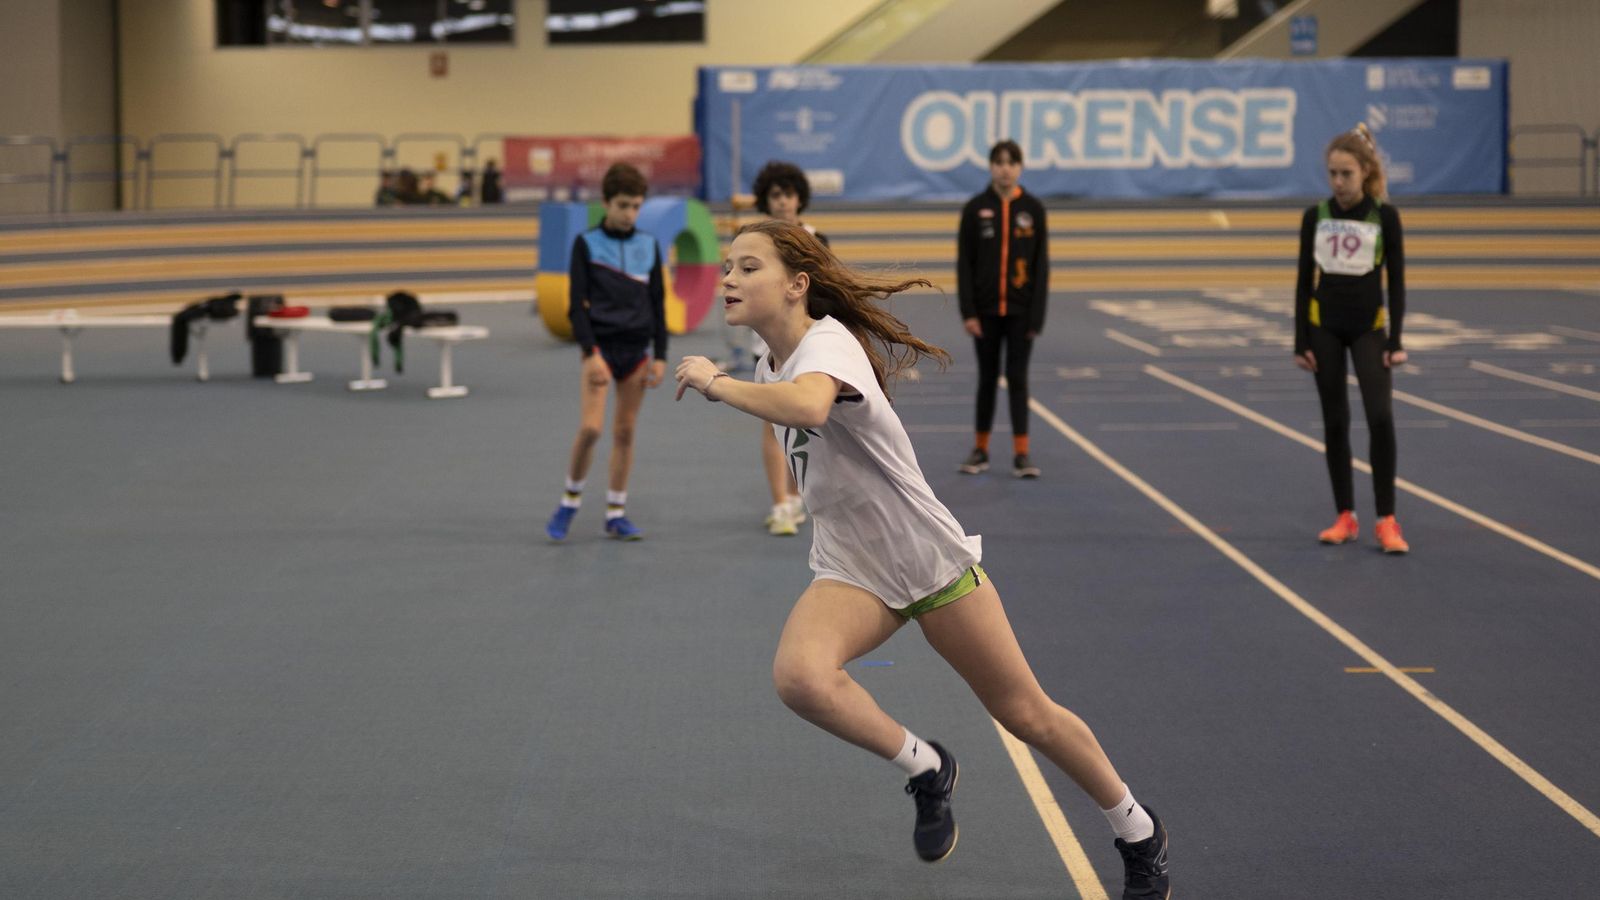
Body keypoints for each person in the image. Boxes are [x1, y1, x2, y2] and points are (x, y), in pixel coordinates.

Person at [674, 220, 1170, 898]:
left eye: (747, 266)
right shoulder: (769, 364)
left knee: (1027, 714)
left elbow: (812, 407)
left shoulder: (827, 344)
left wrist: (714, 383)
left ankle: (1138, 830)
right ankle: (927, 765)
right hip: (853, 569)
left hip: (927, 561)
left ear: (797, 285)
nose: (728, 278)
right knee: (801, 679)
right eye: (728, 266)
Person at [1294, 123, 1410, 554]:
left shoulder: (1384, 217)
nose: (1339, 182)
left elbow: (1395, 281)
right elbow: (1304, 280)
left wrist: (1395, 339)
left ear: (1364, 172)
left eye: (1346, 174)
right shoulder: (1316, 217)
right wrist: (1299, 340)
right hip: (1324, 326)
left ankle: (1386, 519)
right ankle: (1345, 515)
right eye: (1332, 174)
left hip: (1368, 328)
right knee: (1336, 421)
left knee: (1379, 417)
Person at [545, 162, 667, 542]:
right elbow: (575, 306)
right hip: (600, 350)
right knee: (591, 428)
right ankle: (569, 500)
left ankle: (616, 512)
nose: (630, 214)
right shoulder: (586, 244)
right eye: (623, 205)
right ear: (606, 203)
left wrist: (660, 355)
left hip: (637, 353)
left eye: (636, 206)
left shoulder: (648, 245)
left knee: (625, 432)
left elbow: (659, 305)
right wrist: (590, 353)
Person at [956, 139, 1048, 479]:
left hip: (1022, 312)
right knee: (987, 379)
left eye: (1011, 162)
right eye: (999, 162)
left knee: (1019, 379)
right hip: (986, 312)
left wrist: (1037, 315)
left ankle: (1021, 453)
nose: (1005, 168)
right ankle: (980, 449)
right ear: (991, 167)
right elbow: (964, 264)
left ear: (1020, 167)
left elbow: (1042, 266)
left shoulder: (1034, 210)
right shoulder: (975, 208)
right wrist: (969, 311)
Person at [750, 161, 828, 536]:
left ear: (800, 199)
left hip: (809, 345)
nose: (783, 202)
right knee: (772, 425)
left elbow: (826, 291)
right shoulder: (755, 241)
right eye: (776, 195)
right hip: (766, 343)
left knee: (804, 423)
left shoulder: (816, 239)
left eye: (790, 195)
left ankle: (797, 495)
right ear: (767, 199)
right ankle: (779, 503)